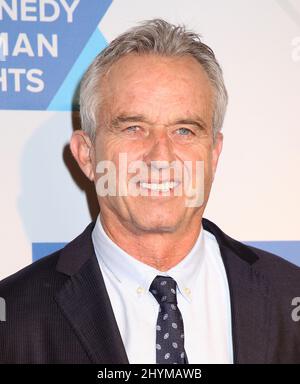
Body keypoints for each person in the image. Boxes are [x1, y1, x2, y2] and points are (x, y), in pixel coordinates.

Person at [0, 19, 299, 364]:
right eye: (133, 128)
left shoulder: (288, 296)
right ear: (87, 155)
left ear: (213, 154)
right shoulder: (14, 323)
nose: (160, 157)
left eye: (185, 131)